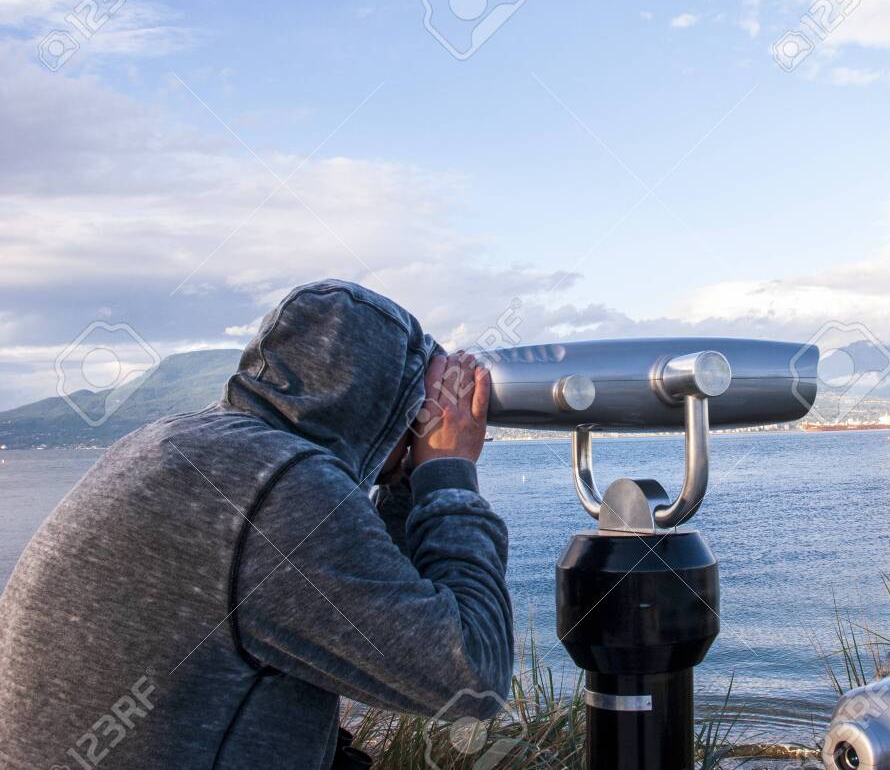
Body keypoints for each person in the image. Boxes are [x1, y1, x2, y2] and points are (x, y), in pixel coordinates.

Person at [0, 280, 513, 769]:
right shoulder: (280, 490)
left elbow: (384, 601)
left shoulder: (185, 441)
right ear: (388, 406)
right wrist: (447, 472)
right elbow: (472, 676)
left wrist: (403, 478)